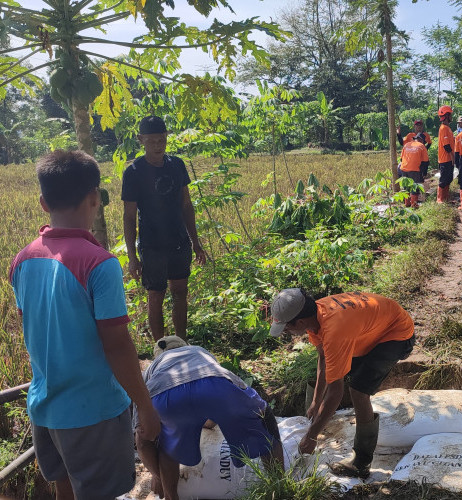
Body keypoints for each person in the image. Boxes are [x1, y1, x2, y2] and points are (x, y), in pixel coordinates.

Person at [9, 150, 161, 500]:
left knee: (63, 487)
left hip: (44, 408)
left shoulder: (23, 259)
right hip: (93, 413)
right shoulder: (99, 264)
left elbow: (32, 325)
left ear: (43, 203)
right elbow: (117, 345)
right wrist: (145, 407)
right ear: (95, 198)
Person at [269, 289, 415, 479]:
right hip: (370, 329)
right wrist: (315, 402)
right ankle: (318, 423)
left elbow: (335, 392)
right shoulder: (315, 317)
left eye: (287, 328)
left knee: (358, 391)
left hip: (394, 332)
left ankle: (361, 462)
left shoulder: (334, 330)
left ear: (300, 322)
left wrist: (311, 437)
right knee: (343, 374)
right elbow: (324, 357)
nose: (286, 332)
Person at [135, 336, 283, 500]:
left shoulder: (150, 371)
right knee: (264, 416)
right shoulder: (198, 351)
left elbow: (142, 442)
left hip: (166, 398)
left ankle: (171, 495)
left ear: (157, 357)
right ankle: (279, 485)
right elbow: (212, 396)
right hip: (215, 385)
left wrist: (157, 476)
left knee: (168, 444)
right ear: (185, 346)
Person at [122, 116, 207, 341]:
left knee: (180, 292)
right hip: (152, 245)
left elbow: (186, 205)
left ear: (167, 137)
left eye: (161, 140)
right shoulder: (134, 172)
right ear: (141, 140)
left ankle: (181, 342)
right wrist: (132, 257)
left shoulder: (177, 165)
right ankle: (160, 348)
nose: (158, 145)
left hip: (179, 240)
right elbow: (129, 217)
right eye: (151, 141)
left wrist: (196, 243)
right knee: (156, 296)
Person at [399, 132, 430, 208]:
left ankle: (407, 203)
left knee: (406, 187)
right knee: (415, 187)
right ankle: (414, 205)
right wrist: (424, 173)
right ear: (422, 140)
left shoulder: (406, 145)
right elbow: (425, 162)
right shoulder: (422, 146)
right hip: (414, 169)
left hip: (403, 169)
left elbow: (401, 159)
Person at [436, 105, 455, 203]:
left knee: (448, 179)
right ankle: (439, 199)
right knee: (443, 179)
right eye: (450, 115)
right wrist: (453, 157)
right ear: (447, 116)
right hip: (445, 159)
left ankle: (446, 198)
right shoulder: (443, 128)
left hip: (448, 159)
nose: (451, 116)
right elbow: (446, 146)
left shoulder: (447, 128)